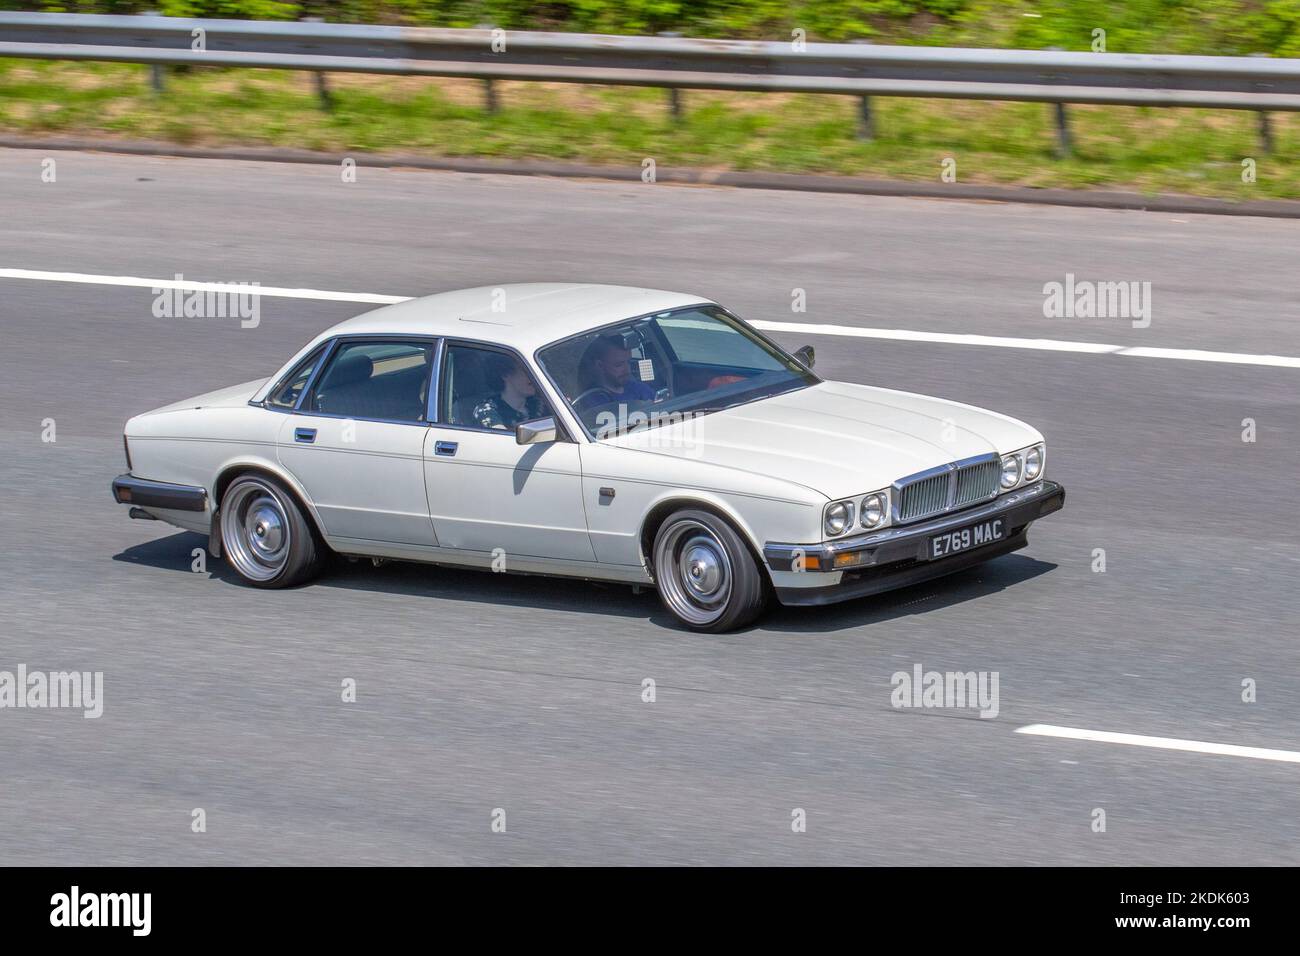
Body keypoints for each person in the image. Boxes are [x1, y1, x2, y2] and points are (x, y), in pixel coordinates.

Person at [575, 335, 656, 410]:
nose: (627, 369)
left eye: (628, 362)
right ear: (600, 365)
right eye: (619, 365)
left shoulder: (639, 388)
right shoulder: (593, 400)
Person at [471, 353, 545, 430]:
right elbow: (502, 439)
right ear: (505, 375)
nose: (533, 377)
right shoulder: (487, 410)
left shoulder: (539, 403)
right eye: (525, 371)